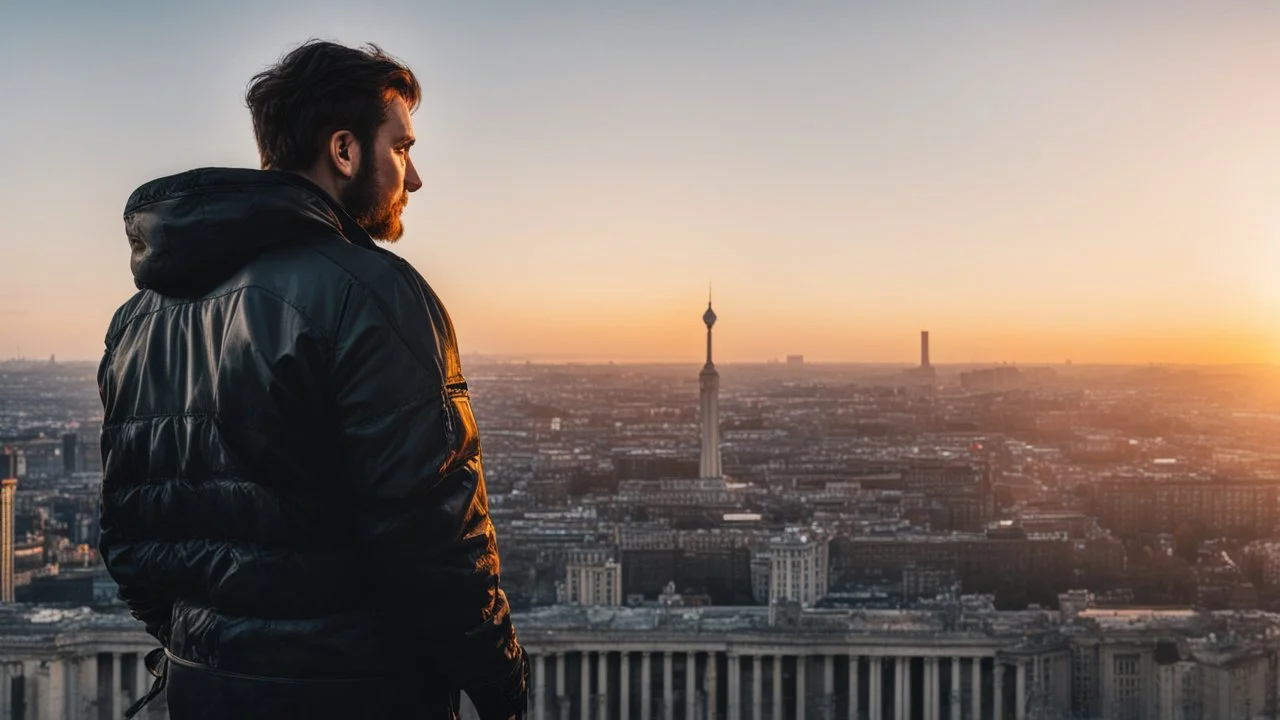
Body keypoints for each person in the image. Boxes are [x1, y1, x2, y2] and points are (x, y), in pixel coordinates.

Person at [97, 40, 526, 720]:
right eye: (403, 149)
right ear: (345, 150)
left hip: (198, 690)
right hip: (358, 692)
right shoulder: (373, 294)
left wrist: (211, 653)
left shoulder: (138, 321)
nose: (414, 180)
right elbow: (436, 540)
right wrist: (504, 688)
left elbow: (129, 541)